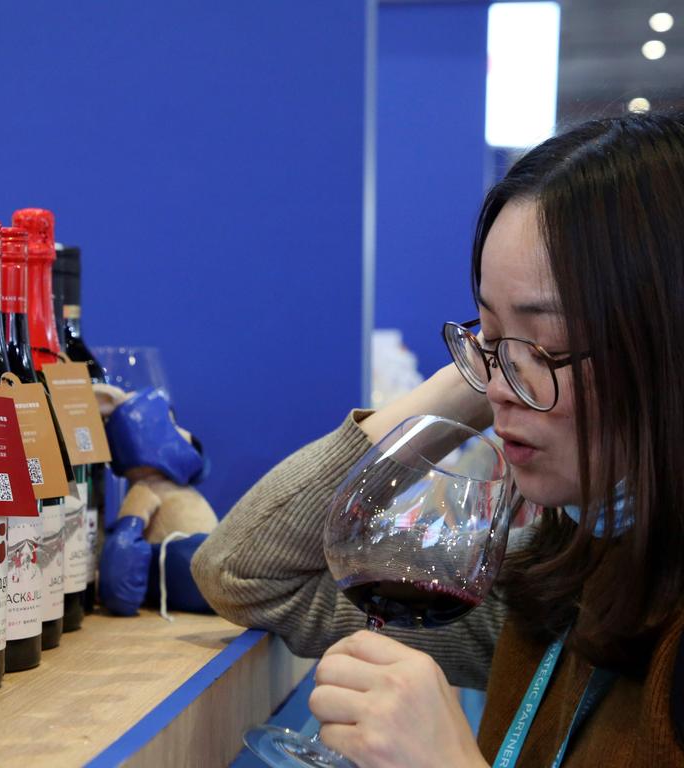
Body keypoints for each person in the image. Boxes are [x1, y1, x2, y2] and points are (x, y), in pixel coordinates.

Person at [191, 113, 684, 766]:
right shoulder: (564, 577)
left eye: (549, 343)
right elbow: (246, 570)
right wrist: (490, 368)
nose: (500, 387)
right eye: (486, 334)